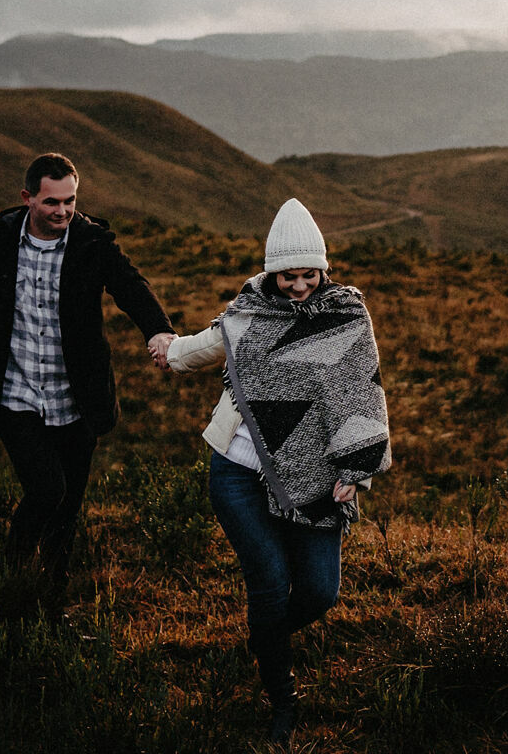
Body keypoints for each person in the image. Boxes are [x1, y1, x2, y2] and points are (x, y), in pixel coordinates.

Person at [148, 197, 391, 746]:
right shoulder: (249, 310)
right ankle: (281, 699)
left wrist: (356, 466)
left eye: (309, 275)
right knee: (267, 582)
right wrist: (169, 349)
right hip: (237, 471)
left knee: (319, 593)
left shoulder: (346, 315)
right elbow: (208, 346)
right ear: (271, 271)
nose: (300, 286)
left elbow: (361, 391)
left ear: (324, 270)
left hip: (315, 475)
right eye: (288, 276)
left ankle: (264, 642)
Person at [0, 152, 172, 614]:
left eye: (70, 201)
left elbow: (130, 285)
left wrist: (158, 329)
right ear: (27, 199)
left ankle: (49, 606)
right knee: (46, 490)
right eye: (51, 202)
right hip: (16, 395)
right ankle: (10, 581)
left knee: (66, 514)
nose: (63, 211)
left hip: (76, 401)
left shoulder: (91, 242)